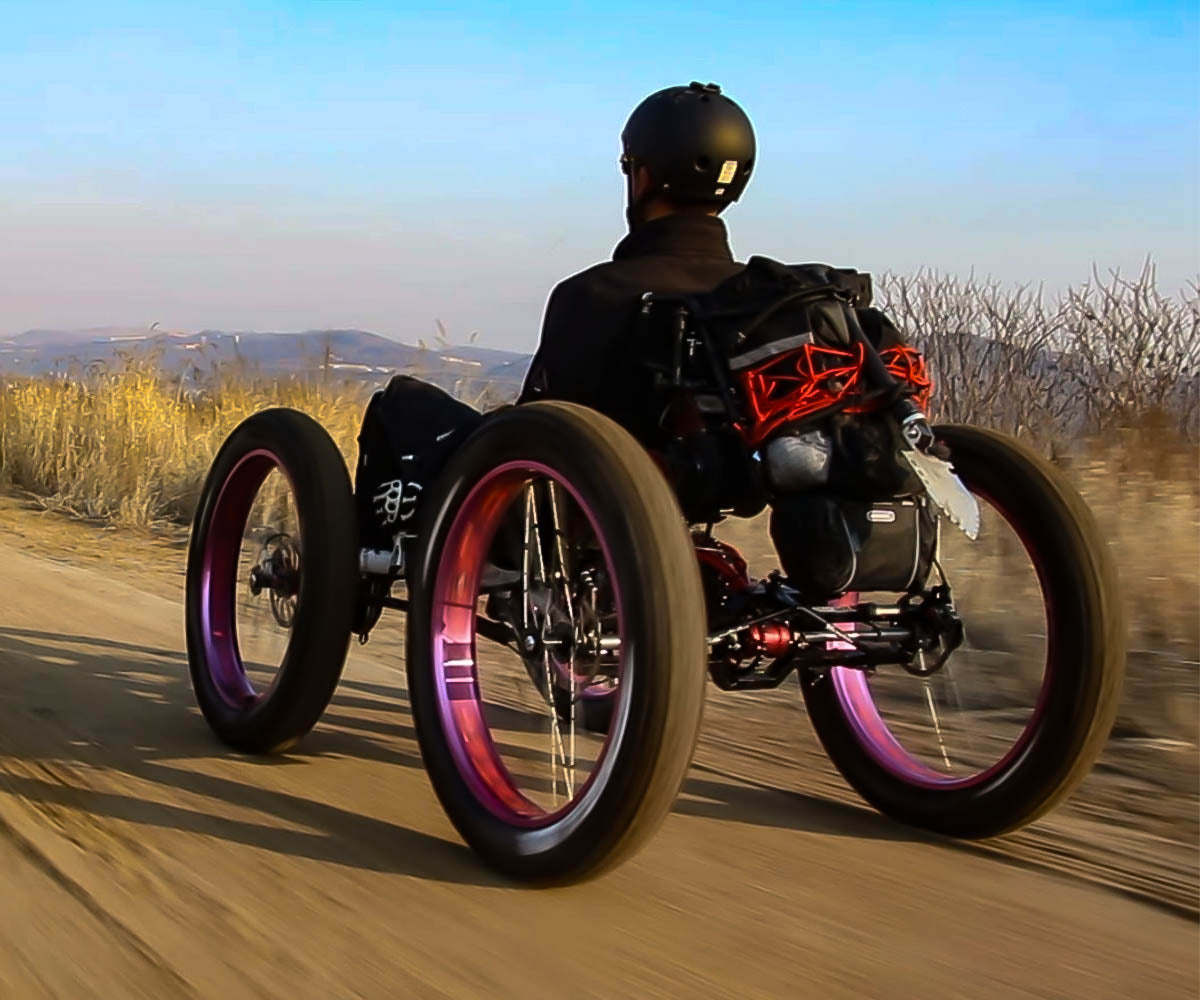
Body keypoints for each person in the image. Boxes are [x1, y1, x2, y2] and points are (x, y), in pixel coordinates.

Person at [518, 81, 755, 439]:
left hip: (603, 473)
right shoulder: (762, 301)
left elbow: (535, 433)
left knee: (420, 405)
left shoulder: (592, 294)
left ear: (642, 177)